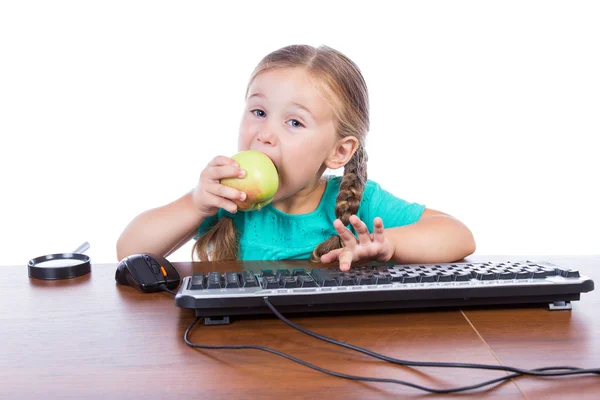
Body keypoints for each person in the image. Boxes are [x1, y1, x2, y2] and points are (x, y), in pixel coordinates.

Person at [116, 44, 475, 271]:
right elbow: (129, 251)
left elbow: (458, 235)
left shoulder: (354, 205)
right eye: (258, 112)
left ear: (339, 152)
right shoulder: (226, 201)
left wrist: (389, 245)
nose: (265, 134)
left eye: (294, 122)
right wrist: (195, 203)